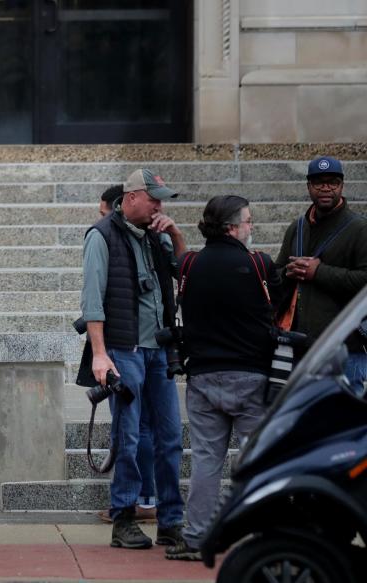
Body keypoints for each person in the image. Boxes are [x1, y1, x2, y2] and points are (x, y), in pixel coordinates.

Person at [165, 196, 283, 561]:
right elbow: (278, 308)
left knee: (205, 461)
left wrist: (173, 232)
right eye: (247, 221)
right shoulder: (258, 263)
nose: (251, 227)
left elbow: (179, 269)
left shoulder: (190, 264)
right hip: (253, 377)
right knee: (256, 461)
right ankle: (262, 536)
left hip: (202, 378)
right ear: (233, 227)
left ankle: (197, 536)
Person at [80, 169, 186, 550]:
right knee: (127, 437)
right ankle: (123, 517)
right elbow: (92, 300)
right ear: (132, 198)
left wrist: (174, 235)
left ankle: (171, 520)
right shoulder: (102, 235)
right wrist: (99, 354)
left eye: (162, 199)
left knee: (170, 436)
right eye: (154, 198)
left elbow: (184, 273)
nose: (160, 205)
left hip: (159, 351)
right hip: (124, 350)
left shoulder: (157, 237)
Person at [274, 156, 367, 386]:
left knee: (345, 419)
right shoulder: (297, 227)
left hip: (345, 349)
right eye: (318, 182)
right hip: (300, 348)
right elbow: (274, 276)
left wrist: (319, 272)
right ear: (308, 186)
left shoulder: (359, 228)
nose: (326, 188)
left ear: (342, 186)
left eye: (332, 182)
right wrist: (288, 272)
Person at [96, 183, 157, 524]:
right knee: (142, 428)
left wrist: (100, 352)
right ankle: (145, 499)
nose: (105, 220)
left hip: (130, 345)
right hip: (142, 344)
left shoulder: (117, 238)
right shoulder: (137, 238)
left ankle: (131, 501)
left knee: (131, 429)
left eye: (105, 212)